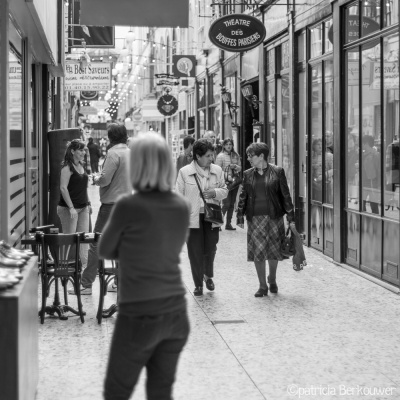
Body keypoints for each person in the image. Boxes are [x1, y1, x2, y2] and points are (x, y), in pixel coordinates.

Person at [98, 133, 190, 400]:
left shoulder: (128, 205)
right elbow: (168, 245)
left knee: (117, 391)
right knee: (160, 393)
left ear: (138, 165)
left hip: (139, 312)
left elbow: (105, 250)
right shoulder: (181, 206)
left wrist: (129, 246)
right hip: (175, 312)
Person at [69, 123, 131, 295]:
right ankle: (119, 283)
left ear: (111, 137)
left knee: (97, 242)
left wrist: (96, 178)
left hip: (111, 205)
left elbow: (105, 180)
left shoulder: (113, 154)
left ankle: (86, 284)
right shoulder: (131, 153)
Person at [237, 143, 295, 297]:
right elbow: (244, 195)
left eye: (251, 155)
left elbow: (285, 195)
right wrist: (239, 215)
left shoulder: (277, 172)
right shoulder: (248, 174)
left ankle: (272, 279)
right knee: (258, 252)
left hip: (274, 217)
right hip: (255, 218)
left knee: (273, 251)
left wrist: (290, 216)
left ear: (261, 156)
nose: (249, 158)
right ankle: (262, 286)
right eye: (248, 155)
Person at [176, 138, 228, 296]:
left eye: (212, 155)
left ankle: (208, 275)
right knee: (195, 251)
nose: (211, 158)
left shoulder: (217, 170)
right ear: (198, 156)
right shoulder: (185, 172)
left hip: (211, 217)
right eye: (208, 155)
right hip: (192, 219)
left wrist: (214, 193)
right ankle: (198, 283)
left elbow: (225, 190)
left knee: (210, 248)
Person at [57, 139, 91, 269]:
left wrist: (88, 203)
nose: (84, 152)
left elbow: (84, 188)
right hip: (68, 209)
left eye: (84, 150)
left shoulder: (81, 165)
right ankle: (64, 268)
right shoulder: (67, 167)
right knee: (69, 240)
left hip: (83, 208)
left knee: (84, 240)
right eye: (81, 150)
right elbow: (63, 188)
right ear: (72, 151)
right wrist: (71, 208)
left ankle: (85, 268)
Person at [215, 138, 242, 230]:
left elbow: (240, 168)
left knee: (232, 204)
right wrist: (226, 175)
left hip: (234, 182)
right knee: (226, 204)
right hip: (225, 183)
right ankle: (218, 223)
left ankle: (228, 224)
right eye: (227, 144)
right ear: (223, 146)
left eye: (230, 144)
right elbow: (217, 170)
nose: (229, 146)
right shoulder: (220, 156)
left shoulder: (236, 155)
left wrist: (235, 166)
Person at [362, 135, 380, 214]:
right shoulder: (362, 154)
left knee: (373, 204)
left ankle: (376, 222)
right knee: (361, 203)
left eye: (361, 143)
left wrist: (379, 185)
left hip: (372, 182)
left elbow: (379, 170)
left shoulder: (375, 154)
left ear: (366, 144)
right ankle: (363, 219)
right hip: (363, 181)